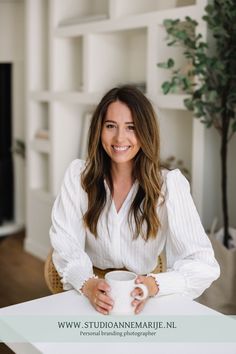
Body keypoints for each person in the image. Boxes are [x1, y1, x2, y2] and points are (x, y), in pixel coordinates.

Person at [49, 85, 220, 315]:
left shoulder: (169, 186)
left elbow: (203, 264)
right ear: (99, 130)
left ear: (146, 132)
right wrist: (88, 285)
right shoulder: (78, 176)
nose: (120, 137)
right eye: (111, 126)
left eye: (131, 127)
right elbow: (66, 242)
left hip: (143, 294)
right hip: (88, 289)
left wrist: (154, 285)